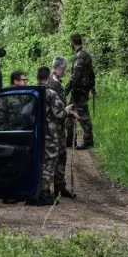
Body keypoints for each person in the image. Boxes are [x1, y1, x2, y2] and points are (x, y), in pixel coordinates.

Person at [28, 65, 76, 206]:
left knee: (39, 162)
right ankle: (44, 194)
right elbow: (58, 114)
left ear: (37, 77)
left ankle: (36, 192)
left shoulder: (32, 92)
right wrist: (67, 111)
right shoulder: (50, 93)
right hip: (51, 134)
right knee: (49, 164)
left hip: (37, 133)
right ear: (49, 77)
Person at [47, 57, 76, 199]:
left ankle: (59, 185)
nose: (64, 71)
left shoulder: (54, 81)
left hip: (58, 123)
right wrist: (68, 111)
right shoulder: (54, 84)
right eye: (64, 68)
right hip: (55, 126)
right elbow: (56, 108)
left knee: (61, 154)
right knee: (56, 154)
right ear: (61, 67)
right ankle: (53, 187)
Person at [66, 33, 96, 149]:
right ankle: (69, 140)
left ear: (72, 42)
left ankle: (88, 141)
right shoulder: (87, 55)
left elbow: (75, 76)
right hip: (82, 89)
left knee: (83, 115)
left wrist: (66, 89)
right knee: (68, 112)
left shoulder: (80, 56)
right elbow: (92, 74)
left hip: (79, 90)